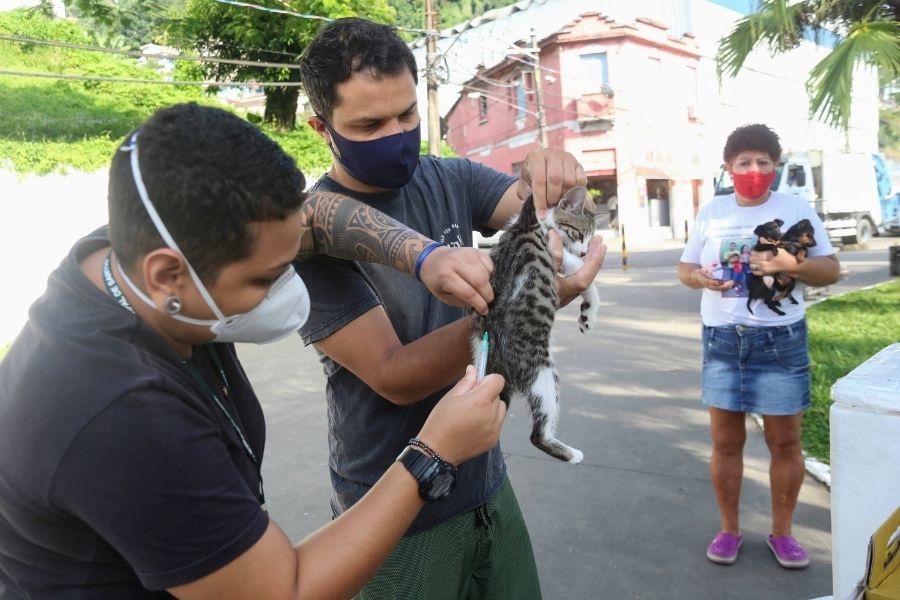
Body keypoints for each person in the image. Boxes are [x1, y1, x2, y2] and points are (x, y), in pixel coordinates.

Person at [0, 102, 510, 599]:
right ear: (165, 274)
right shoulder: (123, 413)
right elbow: (281, 590)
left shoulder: (137, 246)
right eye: (263, 278)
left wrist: (424, 258)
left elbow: (314, 217)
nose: (288, 292)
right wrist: (432, 454)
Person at [295, 17, 607, 600]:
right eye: (369, 123)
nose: (397, 133)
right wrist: (514, 315)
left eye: (408, 115)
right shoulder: (311, 234)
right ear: (322, 127)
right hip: (394, 505)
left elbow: (539, 207)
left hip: (485, 479)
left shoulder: (449, 176)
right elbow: (393, 376)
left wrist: (563, 180)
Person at [677, 124, 840, 569]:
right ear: (729, 168)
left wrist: (792, 263)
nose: (754, 170)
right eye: (744, 162)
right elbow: (685, 268)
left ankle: (783, 533)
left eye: (763, 162)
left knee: (784, 442)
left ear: (776, 166)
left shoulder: (796, 208)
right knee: (725, 443)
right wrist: (700, 279)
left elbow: (830, 269)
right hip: (724, 341)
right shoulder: (711, 211)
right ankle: (729, 529)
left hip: (780, 341)